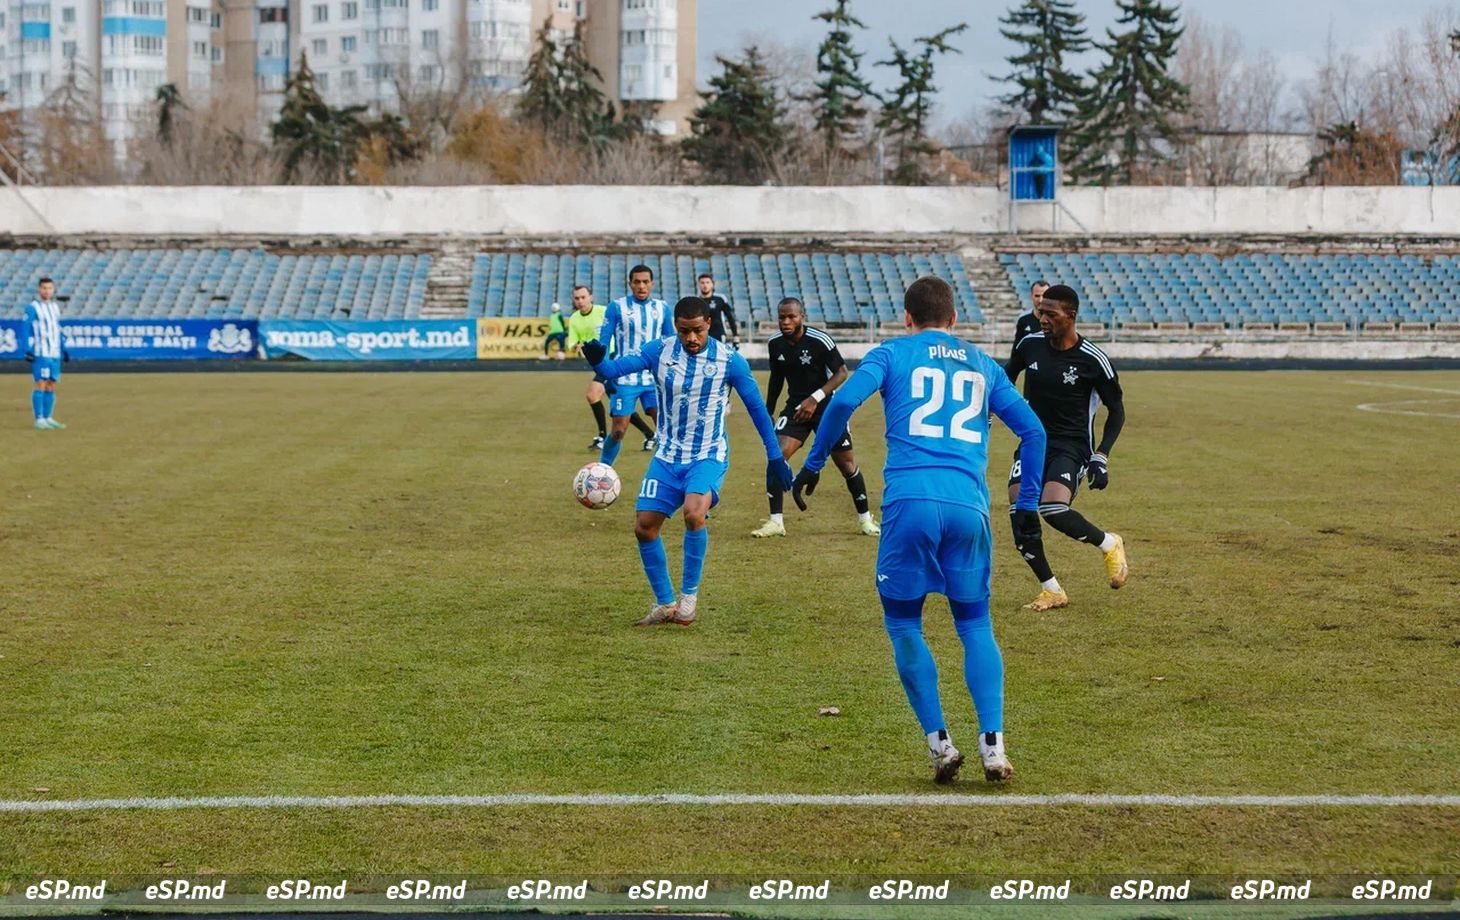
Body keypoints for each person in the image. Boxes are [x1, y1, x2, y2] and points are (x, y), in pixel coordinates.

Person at [791, 276, 1047, 785]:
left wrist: (815, 461)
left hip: (910, 504)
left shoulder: (891, 354)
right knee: (975, 625)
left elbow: (839, 404)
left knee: (905, 625)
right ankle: (993, 748)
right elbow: (1034, 431)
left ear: (907, 318)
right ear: (954, 319)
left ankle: (940, 746)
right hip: (967, 507)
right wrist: (1029, 504)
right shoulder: (983, 363)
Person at [582, 297, 793, 627]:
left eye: (697, 330)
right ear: (676, 328)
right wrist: (597, 360)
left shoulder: (729, 361)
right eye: (684, 331)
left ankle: (689, 599)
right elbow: (613, 370)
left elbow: (756, 410)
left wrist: (775, 457)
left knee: (695, 513)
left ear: (708, 323)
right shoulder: (660, 351)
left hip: (707, 455)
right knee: (645, 527)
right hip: (666, 455)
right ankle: (666, 604)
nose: (691, 338)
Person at [1003, 283, 1129, 612]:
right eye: (1040, 312)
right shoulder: (1029, 345)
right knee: (1019, 513)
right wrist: (991, 413)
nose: (1042, 318)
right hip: (1032, 441)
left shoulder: (1093, 359)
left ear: (1070, 316)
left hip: (1071, 446)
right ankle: (1051, 589)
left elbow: (1117, 411)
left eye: (1050, 314)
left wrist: (1101, 455)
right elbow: (1005, 380)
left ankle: (1109, 543)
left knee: (1052, 508)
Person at [752, 297, 878, 538]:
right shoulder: (775, 344)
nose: (786, 321)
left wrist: (815, 398)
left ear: (802, 317)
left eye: (791, 316)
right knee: (776, 457)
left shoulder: (820, 340)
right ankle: (775, 521)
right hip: (796, 408)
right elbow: (777, 379)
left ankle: (865, 520)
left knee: (846, 465)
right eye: (782, 317)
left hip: (827, 409)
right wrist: (768, 410)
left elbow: (842, 372)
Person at [565, 284, 655, 452]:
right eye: (577, 298)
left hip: (613, 360)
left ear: (591, 297)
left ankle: (601, 436)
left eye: (583, 297)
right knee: (619, 403)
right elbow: (572, 342)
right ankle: (650, 434)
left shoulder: (604, 311)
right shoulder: (575, 318)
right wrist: (576, 346)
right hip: (598, 363)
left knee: (593, 395)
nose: (580, 301)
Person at [596, 265, 670, 463]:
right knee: (619, 430)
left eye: (646, 282)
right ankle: (603, 470)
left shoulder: (662, 308)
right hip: (624, 378)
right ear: (630, 284)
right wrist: (603, 371)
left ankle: (668, 474)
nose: (641, 286)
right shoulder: (617, 307)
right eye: (637, 282)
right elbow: (604, 340)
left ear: (652, 284)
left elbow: (672, 343)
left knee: (665, 428)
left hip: (655, 380)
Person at [25, 277, 69, 430]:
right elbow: (25, 328)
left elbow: (57, 329)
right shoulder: (33, 307)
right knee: (41, 383)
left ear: (53, 290)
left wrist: (64, 349)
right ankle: (39, 419)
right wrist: (27, 349)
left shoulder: (55, 307)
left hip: (54, 352)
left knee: (51, 384)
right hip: (41, 352)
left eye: (49, 288)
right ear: (39, 289)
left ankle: (48, 417)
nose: (47, 291)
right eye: (44, 288)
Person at [697, 273, 740, 347]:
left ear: (712, 284)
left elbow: (730, 317)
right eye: (702, 283)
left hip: (719, 334)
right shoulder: (696, 301)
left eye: (707, 282)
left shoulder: (720, 299)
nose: (705, 285)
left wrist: (735, 335)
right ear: (699, 285)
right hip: (702, 335)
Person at [1010, 280, 1048, 361]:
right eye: (1037, 296)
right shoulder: (1024, 320)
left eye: (1044, 296)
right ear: (1031, 296)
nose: (1041, 300)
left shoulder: (1056, 321)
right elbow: (1016, 349)